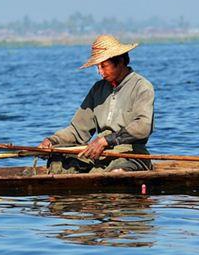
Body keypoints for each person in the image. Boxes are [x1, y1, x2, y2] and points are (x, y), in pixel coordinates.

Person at [39, 34, 155, 174]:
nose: (100, 72)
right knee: (59, 163)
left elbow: (142, 127)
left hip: (130, 155)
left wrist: (106, 141)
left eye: (104, 66)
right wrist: (52, 141)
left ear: (120, 62)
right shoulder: (98, 89)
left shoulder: (141, 87)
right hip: (99, 154)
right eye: (98, 67)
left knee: (117, 172)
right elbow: (77, 131)